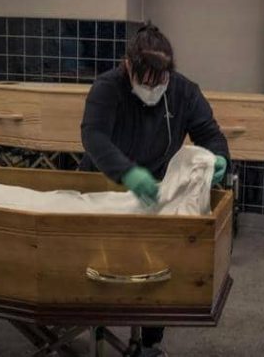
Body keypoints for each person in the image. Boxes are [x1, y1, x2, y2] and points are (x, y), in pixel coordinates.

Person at [79, 24, 230, 356]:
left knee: (156, 269)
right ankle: (95, 329)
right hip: (105, 183)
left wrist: (219, 158)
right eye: (143, 82)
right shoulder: (108, 87)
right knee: (100, 268)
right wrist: (127, 173)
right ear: (128, 66)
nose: (151, 89)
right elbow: (94, 135)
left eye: (158, 82)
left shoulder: (184, 92)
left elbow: (209, 133)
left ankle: (149, 343)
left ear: (168, 75)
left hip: (157, 189)